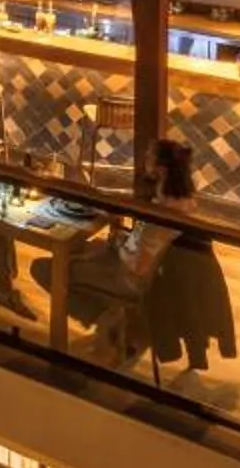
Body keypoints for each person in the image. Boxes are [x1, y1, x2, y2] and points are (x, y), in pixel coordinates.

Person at [66, 138, 210, 358]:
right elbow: (145, 244)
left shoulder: (164, 213)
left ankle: (106, 318)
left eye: (149, 157)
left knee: (60, 268)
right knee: (89, 250)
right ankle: (114, 324)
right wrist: (121, 238)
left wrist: (117, 242)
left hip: (132, 279)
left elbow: (139, 261)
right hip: (154, 275)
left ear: (161, 170)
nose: (145, 160)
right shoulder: (183, 201)